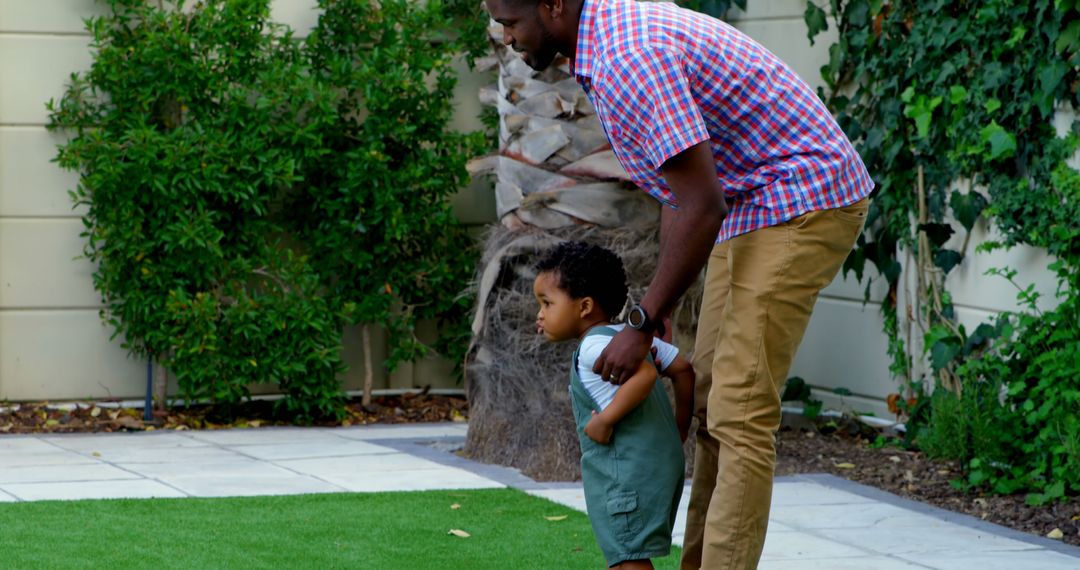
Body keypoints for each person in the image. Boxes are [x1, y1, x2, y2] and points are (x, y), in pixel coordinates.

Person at [486, 0, 874, 567]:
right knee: (716, 398)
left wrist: (642, 323)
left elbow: (701, 202)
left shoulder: (629, 57)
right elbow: (679, 190)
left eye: (511, 21)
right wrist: (653, 311)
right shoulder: (602, 49)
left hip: (801, 197)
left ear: (553, 6)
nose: (504, 34)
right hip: (748, 205)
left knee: (741, 411)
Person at [533, 241, 695, 570]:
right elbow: (683, 371)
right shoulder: (629, 337)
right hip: (657, 465)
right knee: (625, 553)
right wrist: (677, 431)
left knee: (628, 557)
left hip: (627, 473)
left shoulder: (595, 347)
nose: (540, 314)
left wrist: (606, 419)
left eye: (547, 303)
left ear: (584, 307)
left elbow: (646, 375)